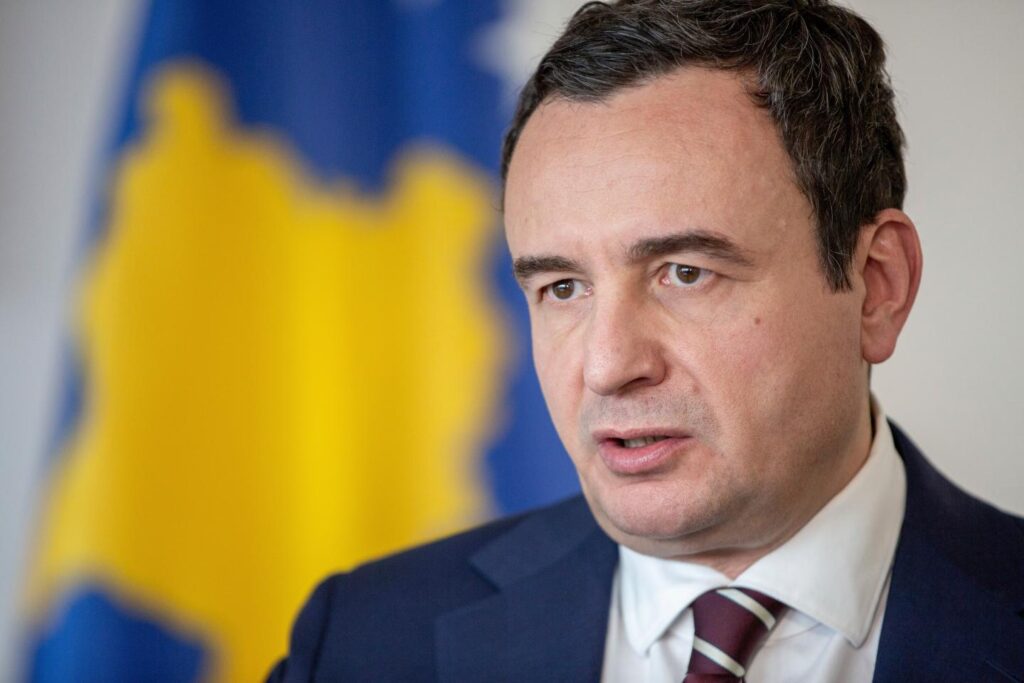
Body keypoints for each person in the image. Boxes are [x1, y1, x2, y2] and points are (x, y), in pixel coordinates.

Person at [268, 1, 1024, 680]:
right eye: (562, 287)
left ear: (878, 286)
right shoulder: (362, 640)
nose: (607, 365)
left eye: (685, 273)